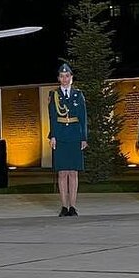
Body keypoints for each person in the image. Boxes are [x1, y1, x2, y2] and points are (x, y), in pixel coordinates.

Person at [48, 63, 87, 216]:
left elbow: (83, 117)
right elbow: (52, 117)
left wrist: (84, 137)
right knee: (62, 173)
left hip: (75, 135)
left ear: (71, 78)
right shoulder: (54, 95)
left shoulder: (78, 94)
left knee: (73, 172)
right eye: (62, 76)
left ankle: (73, 206)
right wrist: (53, 136)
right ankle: (64, 206)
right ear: (59, 78)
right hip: (61, 135)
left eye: (67, 76)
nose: (64, 79)